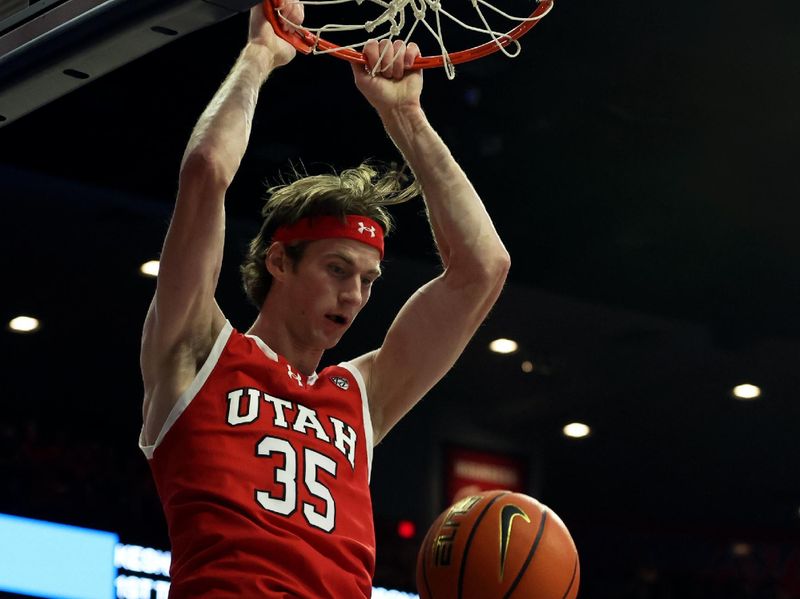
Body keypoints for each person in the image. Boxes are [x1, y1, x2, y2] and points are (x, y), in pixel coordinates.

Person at [138, 3, 510, 597]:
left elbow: (483, 270)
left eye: (368, 279)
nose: (355, 295)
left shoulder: (361, 395)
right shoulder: (197, 349)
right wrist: (261, 55)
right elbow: (206, 170)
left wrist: (407, 117)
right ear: (279, 261)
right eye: (338, 270)